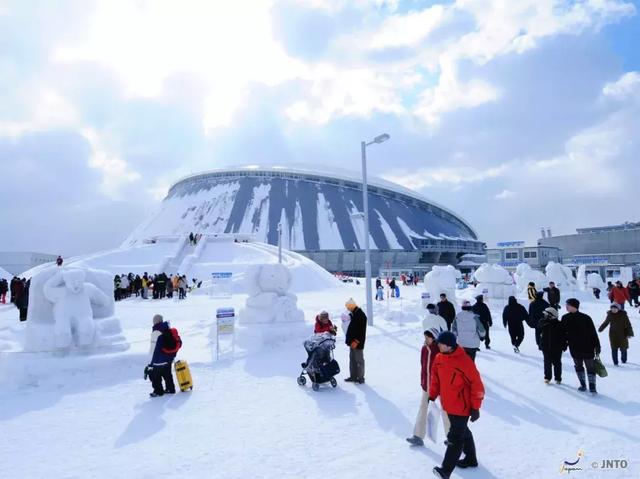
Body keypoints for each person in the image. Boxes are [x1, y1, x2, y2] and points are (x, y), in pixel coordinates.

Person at [430, 331, 485, 479]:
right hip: (448, 404)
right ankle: (471, 459)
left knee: (455, 438)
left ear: (449, 346)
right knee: (463, 431)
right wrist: (432, 394)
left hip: (462, 406)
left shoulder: (464, 361)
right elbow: (435, 378)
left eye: (441, 344)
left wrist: (475, 407)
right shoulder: (439, 358)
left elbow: (477, 385)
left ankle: (445, 471)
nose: (438, 346)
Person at [406, 328, 441, 447]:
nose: (425, 339)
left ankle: (454, 437)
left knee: (446, 412)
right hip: (427, 386)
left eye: (428, 337)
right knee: (423, 409)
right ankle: (418, 436)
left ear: (434, 338)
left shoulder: (439, 350)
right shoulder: (424, 349)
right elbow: (423, 367)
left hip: (440, 387)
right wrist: (423, 382)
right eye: (425, 337)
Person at [561, 298, 601, 394]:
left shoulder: (586, 318)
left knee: (590, 367)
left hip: (588, 346)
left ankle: (592, 386)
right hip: (574, 347)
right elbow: (562, 333)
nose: (566, 307)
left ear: (574, 306)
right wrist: (563, 344)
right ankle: (583, 384)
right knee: (578, 366)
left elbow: (593, 333)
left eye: (568, 305)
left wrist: (597, 346)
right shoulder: (565, 318)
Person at [146, 314, 177, 397]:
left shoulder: (156, 332)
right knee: (167, 375)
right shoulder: (167, 328)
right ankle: (170, 389)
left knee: (155, 376)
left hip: (158, 360)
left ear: (155, 321)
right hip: (168, 359)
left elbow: (152, 349)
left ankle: (158, 391)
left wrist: (150, 364)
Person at [538, 307, 567, 384]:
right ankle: (547, 377)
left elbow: (563, 336)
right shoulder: (543, 323)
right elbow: (539, 330)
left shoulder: (559, 324)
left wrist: (564, 345)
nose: (544, 316)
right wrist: (540, 344)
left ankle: (558, 378)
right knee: (547, 362)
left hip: (557, 347)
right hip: (546, 346)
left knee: (557, 363)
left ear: (551, 316)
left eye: (546, 314)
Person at [344, 298, 367, 384]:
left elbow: (362, 331)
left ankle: (360, 378)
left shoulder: (360, 315)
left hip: (357, 343)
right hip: (352, 342)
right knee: (352, 359)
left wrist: (356, 341)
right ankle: (353, 376)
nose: (347, 309)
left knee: (359, 360)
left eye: (348, 307)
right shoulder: (354, 314)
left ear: (352, 306)